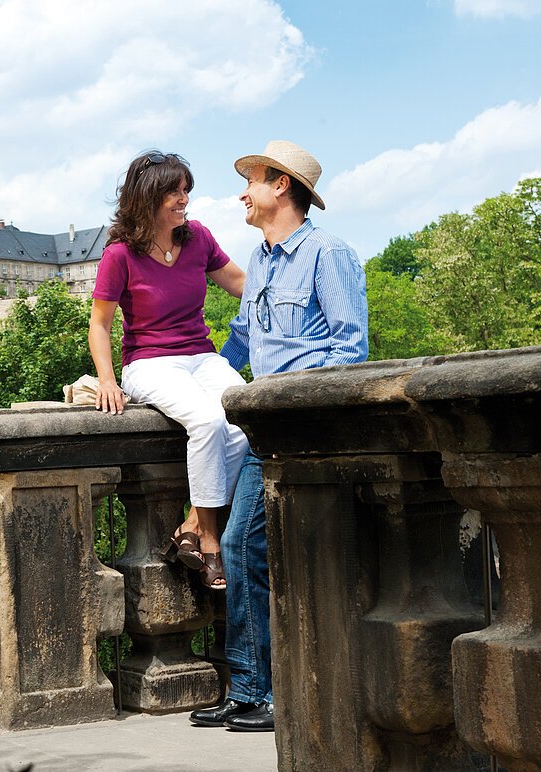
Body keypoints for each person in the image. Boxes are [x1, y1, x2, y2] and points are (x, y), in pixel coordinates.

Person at [189, 140, 369, 731]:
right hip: (261, 426)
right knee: (243, 549)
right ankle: (250, 690)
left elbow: (350, 350)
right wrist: (196, 382)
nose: (244, 192)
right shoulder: (260, 257)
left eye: (254, 181)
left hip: (304, 431)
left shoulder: (328, 253)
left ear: (282, 187)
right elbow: (241, 341)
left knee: (246, 545)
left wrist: (307, 412)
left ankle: (257, 692)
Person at [89, 150, 248, 589]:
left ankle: (191, 526)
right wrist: (106, 380)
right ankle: (211, 539)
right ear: (148, 198)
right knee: (208, 419)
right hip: (149, 363)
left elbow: (241, 284)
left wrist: (289, 289)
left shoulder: (197, 237)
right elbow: (99, 325)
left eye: (185, 191)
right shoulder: (120, 255)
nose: (184, 199)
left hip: (202, 356)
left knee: (246, 421)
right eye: (175, 192)